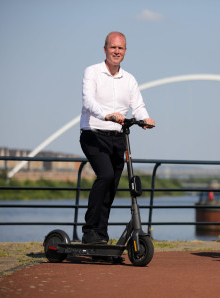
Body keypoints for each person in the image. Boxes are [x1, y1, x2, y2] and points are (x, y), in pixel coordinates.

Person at [79, 31, 155, 244]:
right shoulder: (92, 72)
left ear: (125, 52)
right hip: (93, 134)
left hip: (118, 138)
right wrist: (107, 115)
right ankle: (89, 230)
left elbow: (137, 106)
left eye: (120, 48)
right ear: (105, 49)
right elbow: (89, 102)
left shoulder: (129, 79)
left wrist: (145, 118)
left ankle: (100, 235)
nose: (116, 51)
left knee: (112, 184)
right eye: (113, 47)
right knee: (105, 176)